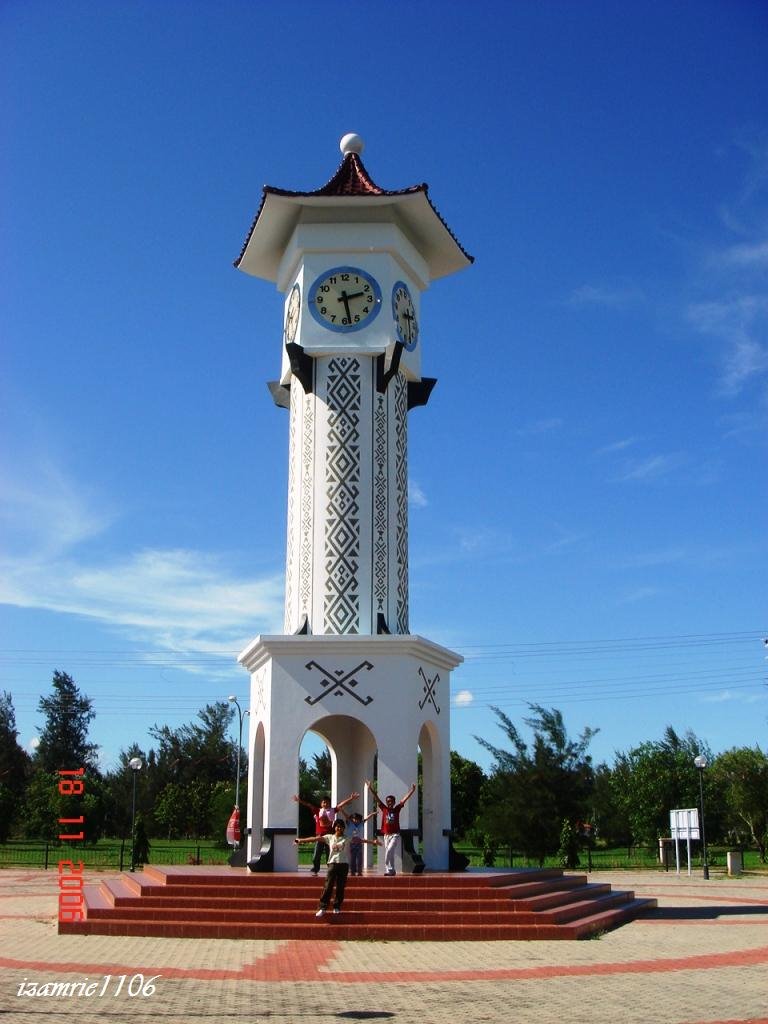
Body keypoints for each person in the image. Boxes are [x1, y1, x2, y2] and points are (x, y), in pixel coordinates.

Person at [295, 819, 381, 917]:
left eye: (341, 826)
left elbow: (360, 840)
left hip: (343, 865)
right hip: (332, 864)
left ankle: (337, 907)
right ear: (334, 827)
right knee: (328, 886)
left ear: (343, 828)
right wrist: (301, 840)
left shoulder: (346, 838)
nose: (338, 828)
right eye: (337, 826)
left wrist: (373, 842)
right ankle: (323, 907)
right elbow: (315, 839)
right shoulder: (329, 837)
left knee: (340, 888)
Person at [292, 791, 358, 874]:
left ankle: (330, 869)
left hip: (330, 836)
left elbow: (341, 805)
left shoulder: (332, 810)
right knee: (317, 854)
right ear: (321, 803)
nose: (325, 804)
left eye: (327, 803)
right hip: (320, 836)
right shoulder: (318, 811)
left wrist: (351, 798)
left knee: (329, 853)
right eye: (324, 802)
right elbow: (309, 805)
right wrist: (300, 801)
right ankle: (315, 868)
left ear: (329, 804)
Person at [365, 779, 416, 876]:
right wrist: (370, 788)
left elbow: (405, 799)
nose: (389, 803)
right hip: (386, 835)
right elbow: (376, 797)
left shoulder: (397, 809)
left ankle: (389, 869)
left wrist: (412, 791)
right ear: (386, 802)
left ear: (394, 802)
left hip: (395, 835)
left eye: (391, 801)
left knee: (389, 850)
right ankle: (391, 870)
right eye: (388, 801)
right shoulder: (384, 808)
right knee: (390, 853)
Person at [337, 807, 377, 876]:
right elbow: (346, 816)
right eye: (354, 819)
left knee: (359, 858)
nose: (356, 820)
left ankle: (359, 871)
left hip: (359, 843)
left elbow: (366, 819)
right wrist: (342, 810)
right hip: (352, 843)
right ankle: (352, 871)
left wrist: (372, 814)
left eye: (357, 819)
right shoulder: (350, 824)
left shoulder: (361, 824)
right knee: (353, 858)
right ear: (352, 819)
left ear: (359, 820)